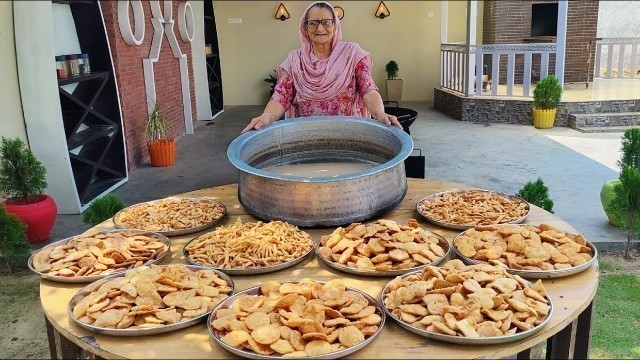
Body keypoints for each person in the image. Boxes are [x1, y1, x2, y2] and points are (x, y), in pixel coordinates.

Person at [242, 1, 402, 133]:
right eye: (313, 23)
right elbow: (281, 97)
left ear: (335, 25)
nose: (320, 28)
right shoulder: (294, 60)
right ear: (305, 28)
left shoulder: (352, 54)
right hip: (307, 134)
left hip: (348, 133)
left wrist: (379, 113)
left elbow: (368, 90)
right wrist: (267, 117)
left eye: (326, 22)